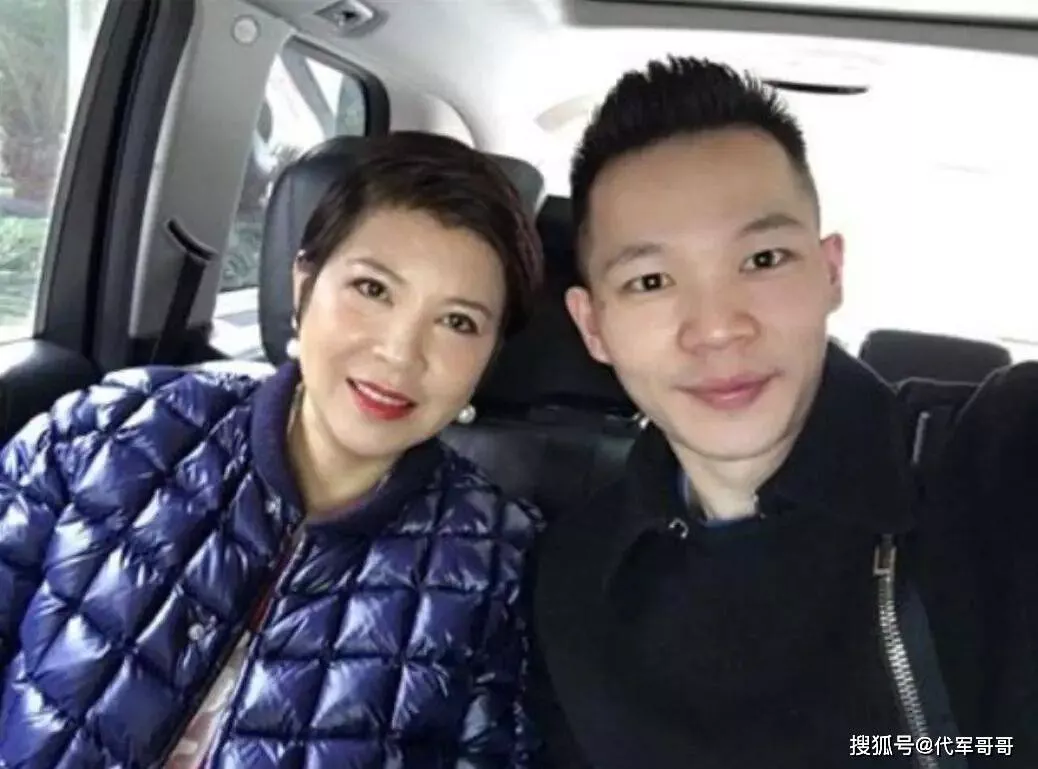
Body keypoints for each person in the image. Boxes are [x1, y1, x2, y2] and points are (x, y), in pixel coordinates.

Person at [532, 56, 1038, 769]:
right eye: (651, 280)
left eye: (763, 259)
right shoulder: (572, 577)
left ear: (831, 272)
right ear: (593, 326)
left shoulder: (995, 465)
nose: (717, 328)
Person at [0, 132, 545, 769]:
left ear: (488, 358)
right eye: (372, 289)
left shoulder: (496, 565)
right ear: (303, 284)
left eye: (457, 322)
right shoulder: (110, 431)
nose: (400, 353)